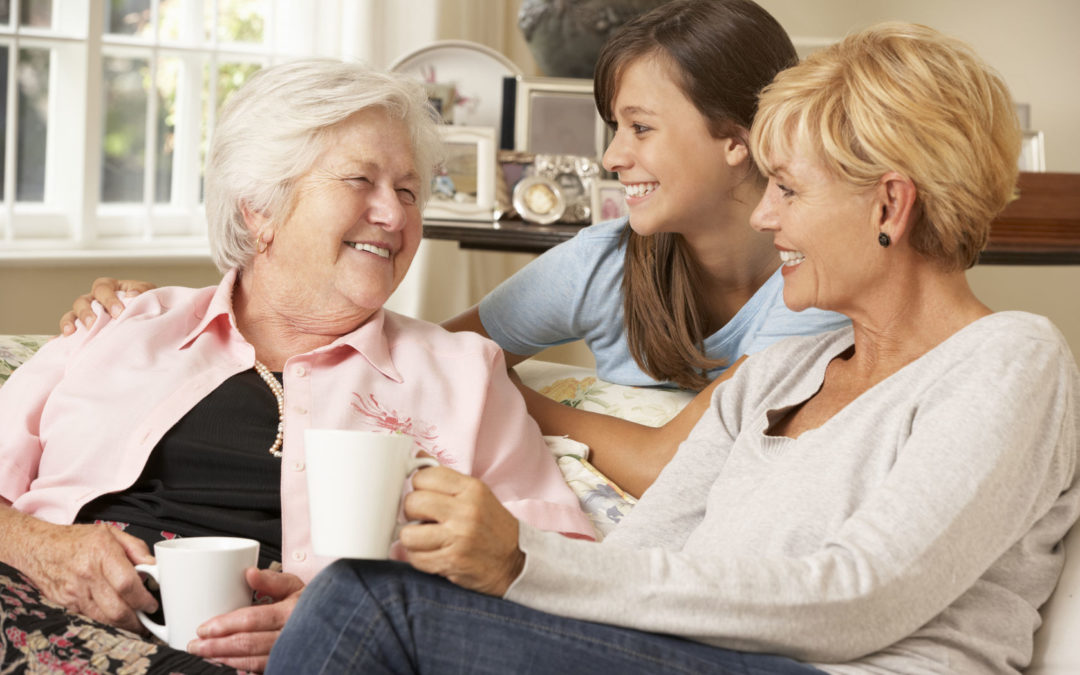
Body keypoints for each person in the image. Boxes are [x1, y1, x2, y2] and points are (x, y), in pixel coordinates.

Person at [265, 22, 1080, 675]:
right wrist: (484, 575)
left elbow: (858, 598)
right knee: (367, 589)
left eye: (790, 190)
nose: (767, 218)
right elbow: (642, 556)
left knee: (373, 607)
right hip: (697, 657)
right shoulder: (780, 373)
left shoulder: (1008, 360)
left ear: (890, 205)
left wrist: (523, 563)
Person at [60, 0, 849, 497]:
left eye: (640, 128)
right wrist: (175, 320)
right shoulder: (611, 258)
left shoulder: (817, 291)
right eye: (616, 128)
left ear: (738, 140)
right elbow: (435, 354)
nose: (612, 157)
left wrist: (515, 400)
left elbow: (678, 462)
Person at [0, 59, 593, 674]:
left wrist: (356, 619)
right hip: (43, 618)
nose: (394, 215)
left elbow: (554, 576)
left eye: (409, 191)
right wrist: (41, 546)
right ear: (260, 208)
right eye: (360, 180)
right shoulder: (119, 327)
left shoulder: (464, 375)